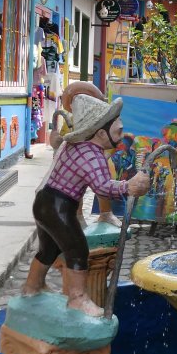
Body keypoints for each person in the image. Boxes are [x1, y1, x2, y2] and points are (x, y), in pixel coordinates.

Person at [22, 95, 150, 317]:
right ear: (100, 133)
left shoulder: (76, 145)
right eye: (118, 131)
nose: (121, 137)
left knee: (49, 249)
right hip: (58, 206)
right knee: (78, 250)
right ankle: (77, 298)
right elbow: (102, 187)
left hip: (45, 202)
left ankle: (32, 287)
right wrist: (129, 186)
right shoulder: (91, 154)